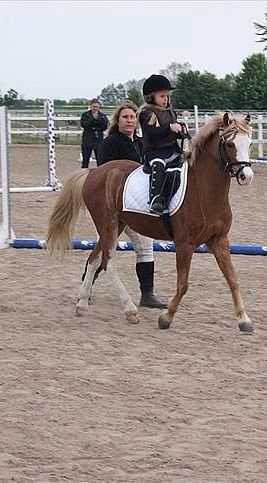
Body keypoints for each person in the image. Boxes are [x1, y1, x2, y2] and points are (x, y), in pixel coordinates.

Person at [91, 101, 168, 309]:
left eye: (133, 117)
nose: (130, 120)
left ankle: (147, 294)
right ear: (118, 120)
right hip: (114, 205)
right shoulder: (110, 144)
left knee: (145, 247)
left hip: (137, 205)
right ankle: (86, 285)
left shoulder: (143, 143)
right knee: (105, 247)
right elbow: (103, 175)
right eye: (125, 117)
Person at [138, 74, 185, 214]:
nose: (166, 99)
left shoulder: (171, 112)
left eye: (167, 96)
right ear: (151, 97)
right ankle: (156, 199)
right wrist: (170, 127)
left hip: (172, 150)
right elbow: (151, 133)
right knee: (158, 164)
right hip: (154, 151)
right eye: (162, 96)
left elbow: (175, 134)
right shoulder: (146, 113)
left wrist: (181, 132)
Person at [80, 98, 109, 168]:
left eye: (97, 107)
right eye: (94, 107)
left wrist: (98, 119)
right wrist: (92, 119)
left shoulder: (102, 116)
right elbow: (84, 125)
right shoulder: (85, 115)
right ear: (90, 106)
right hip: (87, 140)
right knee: (85, 160)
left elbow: (105, 126)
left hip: (98, 140)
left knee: (100, 161)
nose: (95, 108)